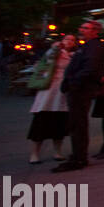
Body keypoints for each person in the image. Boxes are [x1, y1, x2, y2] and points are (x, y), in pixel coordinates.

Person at [54, 21, 104, 173]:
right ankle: (77, 155)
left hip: (82, 90)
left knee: (78, 124)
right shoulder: (87, 46)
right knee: (76, 123)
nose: (81, 30)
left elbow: (90, 69)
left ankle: (79, 157)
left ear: (94, 31)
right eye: (81, 27)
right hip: (78, 89)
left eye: (85, 28)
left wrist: (73, 83)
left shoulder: (94, 48)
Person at [27, 34, 76, 164]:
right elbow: (48, 57)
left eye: (72, 40)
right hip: (50, 89)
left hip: (63, 92)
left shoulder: (73, 55)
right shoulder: (56, 51)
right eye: (67, 39)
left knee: (60, 122)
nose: (69, 42)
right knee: (41, 121)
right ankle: (35, 153)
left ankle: (57, 151)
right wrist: (55, 48)